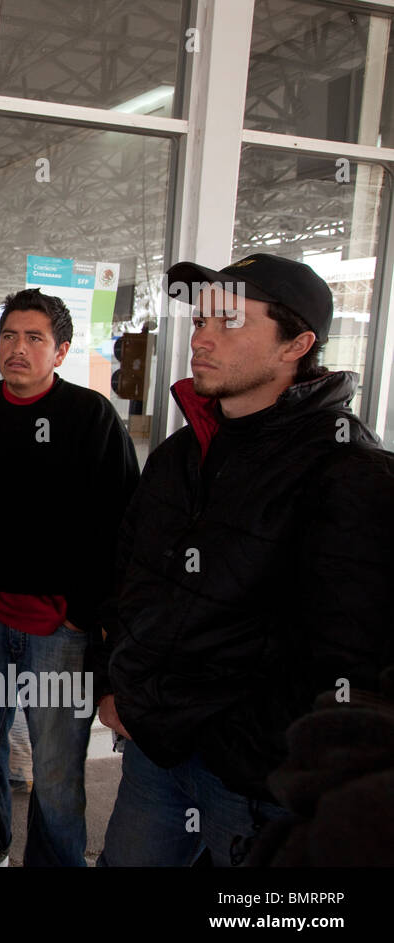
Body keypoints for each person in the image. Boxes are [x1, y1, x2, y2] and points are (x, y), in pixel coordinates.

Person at [98, 252, 394, 866]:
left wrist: (237, 747)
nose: (200, 336)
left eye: (228, 321)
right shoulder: (183, 453)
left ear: (297, 344)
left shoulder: (349, 474)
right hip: (155, 750)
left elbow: (345, 664)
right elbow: (130, 576)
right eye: (201, 319)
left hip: (251, 781)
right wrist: (119, 683)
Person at [0, 288, 140, 866]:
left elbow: (120, 524)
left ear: (61, 350)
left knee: (58, 765)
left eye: (34, 338)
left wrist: (83, 612)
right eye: (9, 336)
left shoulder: (91, 419)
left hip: (60, 628)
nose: (17, 349)